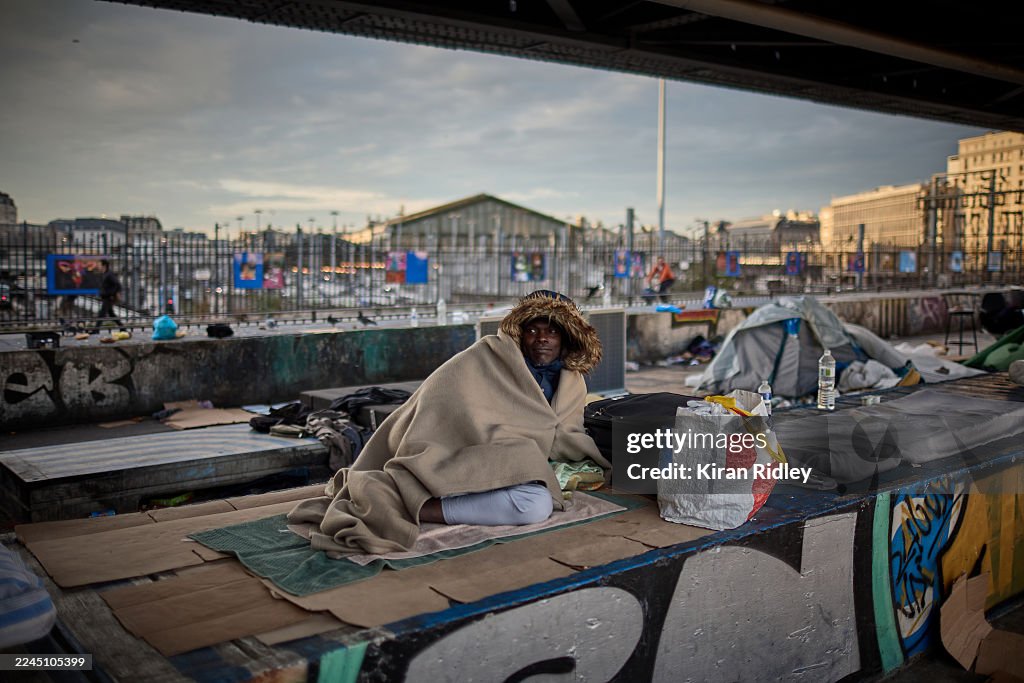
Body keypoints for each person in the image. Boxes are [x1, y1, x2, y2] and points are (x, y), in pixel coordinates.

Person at [288, 289, 610, 555]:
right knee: (536, 504)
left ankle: (433, 503)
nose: (542, 338)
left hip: (512, 459)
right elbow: (436, 407)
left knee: (540, 496)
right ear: (519, 333)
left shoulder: (571, 380)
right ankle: (417, 505)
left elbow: (561, 432)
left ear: (567, 337)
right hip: (460, 453)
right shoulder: (484, 358)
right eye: (533, 330)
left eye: (552, 330)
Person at [98, 259, 123, 326]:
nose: (98, 266)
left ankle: (95, 330)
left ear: (104, 266)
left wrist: (112, 294)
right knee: (111, 313)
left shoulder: (109, 274)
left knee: (102, 313)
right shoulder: (105, 274)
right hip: (107, 296)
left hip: (109, 297)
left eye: (99, 265)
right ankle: (122, 327)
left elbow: (117, 284)